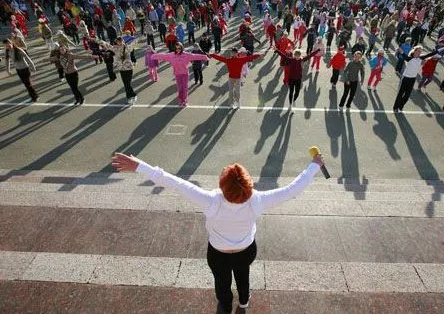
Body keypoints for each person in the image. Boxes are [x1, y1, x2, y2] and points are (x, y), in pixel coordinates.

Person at [110, 151, 325, 314]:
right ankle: (244, 302)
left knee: (221, 281)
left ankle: (225, 303)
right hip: (246, 250)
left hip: (218, 253)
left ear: (222, 185)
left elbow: (173, 182)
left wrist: (139, 165)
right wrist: (313, 166)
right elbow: (293, 190)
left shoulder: (210, 201)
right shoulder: (257, 201)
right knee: (243, 275)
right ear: (248, 185)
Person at [152, 42, 209, 107]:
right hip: (177, 74)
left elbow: (195, 56)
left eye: (179, 48)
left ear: (181, 48)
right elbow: (163, 55)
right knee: (180, 88)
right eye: (176, 49)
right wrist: (154, 56)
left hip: (185, 74)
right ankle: (180, 100)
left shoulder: (186, 55)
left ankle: (185, 101)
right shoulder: (172, 55)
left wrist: (205, 57)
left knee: (185, 88)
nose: (177, 50)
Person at [393, 46, 440, 113]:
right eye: (418, 51)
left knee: (407, 95)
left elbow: (431, 54)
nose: (419, 53)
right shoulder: (409, 58)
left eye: (420, 52)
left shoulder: (420, 58)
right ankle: (395, 107)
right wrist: (399, 48)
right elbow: (402, 53)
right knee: (400, 94)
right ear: (414, 51)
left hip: (412, 79)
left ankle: (400, 106)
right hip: (405, 78)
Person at [274, 47, 319, 112]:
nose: (297, 57)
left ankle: (294, 100)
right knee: (291, 92)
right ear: (294, 55)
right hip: (291, 79)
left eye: (298, 55)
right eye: (296, 55)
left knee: (297, 93)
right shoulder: (291, 59)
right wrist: (277, 50)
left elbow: (310, 55)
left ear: (300, 55)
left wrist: (317, 50)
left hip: (298, 79)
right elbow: (283, 56)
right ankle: (290, 105)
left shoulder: (302, 59)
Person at [110, 36, 138, 104]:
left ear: (123, 41)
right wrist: (95, 39)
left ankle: (133, 95)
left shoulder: (127, 47)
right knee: (126, 84)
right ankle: (129, 97)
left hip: (129, 68)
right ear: (116, 42)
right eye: (118, 41)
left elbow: (134, 43)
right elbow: (106, 45)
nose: (119, 43)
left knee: (128, 83)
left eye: (121, 41)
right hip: (122, 69)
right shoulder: (115, 48)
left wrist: (135, 39)